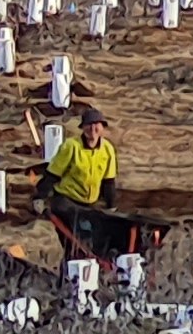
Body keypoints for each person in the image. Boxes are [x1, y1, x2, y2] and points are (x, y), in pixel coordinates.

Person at [37, 100, 136, 261]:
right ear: (83, 128)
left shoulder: (107, 150)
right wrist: (39, 197)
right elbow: (53, 173)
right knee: (73, 239)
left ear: (103, 128)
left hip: (89, 203)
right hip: (66, 201)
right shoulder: (71, 146)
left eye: (97, 125)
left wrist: (111, 207)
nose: (93, 129)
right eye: (89, 125)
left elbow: (108, 181)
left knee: (94, 238)